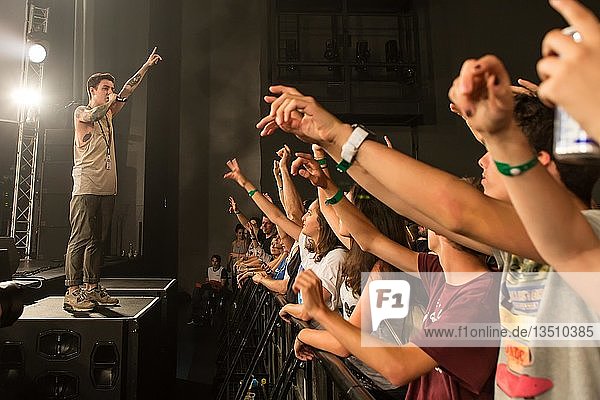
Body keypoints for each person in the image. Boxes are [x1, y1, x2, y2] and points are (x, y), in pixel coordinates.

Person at [256, 84, 600, 398]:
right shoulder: (484, 260)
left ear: (538, 167)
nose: (482, 160)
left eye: (496, 151)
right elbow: (392, 215)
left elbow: (453, 210)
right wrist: (331, 149)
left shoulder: (583, 234)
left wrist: (339, 134)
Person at [64, 48, 162, 312]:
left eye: (111, 87)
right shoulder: (81, 112)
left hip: (107, 187)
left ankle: (92, 287)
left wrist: (146, 66)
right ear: (92, 90)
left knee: (98, 241)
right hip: (86, 186)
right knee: (80, 238)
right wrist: (112, 100)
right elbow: (94, 115)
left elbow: (128, 90)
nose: (110, 91)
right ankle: (72, 290)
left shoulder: (108, 113)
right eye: (105, 87)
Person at [188, 255, 228, 325]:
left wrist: (214, 283)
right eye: (213, 261)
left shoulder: (222, 270)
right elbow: (207, 281)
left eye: (216, 262)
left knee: (207, 293)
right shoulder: (209, 269)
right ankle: (195, 314)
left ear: (219, 262)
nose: (214, 263)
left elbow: (222, 285)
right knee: (197, 290)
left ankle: (204, 316)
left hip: (217, 288)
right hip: (209, 286)